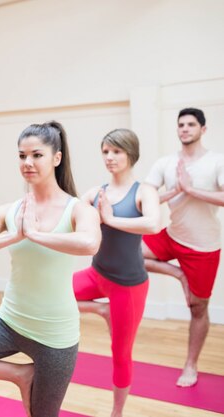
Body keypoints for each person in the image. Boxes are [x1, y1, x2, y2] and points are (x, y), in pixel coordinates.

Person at [0, 121, 101, 417]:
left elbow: (90, 243)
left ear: (56, 157)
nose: (27, 162)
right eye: (22, 155)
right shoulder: (11, 211)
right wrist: (12, 236)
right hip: (8, 322)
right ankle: (19, 375)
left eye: (37, 155)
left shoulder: (77, 209)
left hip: (56, 335)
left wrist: (37, 235)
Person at [73, 129, 160, 416]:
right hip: (97, 274)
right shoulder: (98, 192)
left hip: (129, 286)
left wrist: (110, 218)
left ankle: (116, 412)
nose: (109, 158)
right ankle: (102, 311)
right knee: (53, 294)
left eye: (116, 152)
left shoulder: (143, 191)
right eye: (106, 152)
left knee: (121, 354)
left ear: (130, 154)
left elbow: (152, 224)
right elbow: (73, 211)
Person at [142, 107, 224, 387]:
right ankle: (179, 275)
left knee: (198, 308)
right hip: (172, 236)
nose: (185, 129)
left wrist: (191, 190)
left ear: (203, 128)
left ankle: (191, 364)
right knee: (126, 254)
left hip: (204, 247)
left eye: (191, 124)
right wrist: (175, 190)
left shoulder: (216, 161)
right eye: (181, 125)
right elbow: (146, 198)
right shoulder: (166, 163)